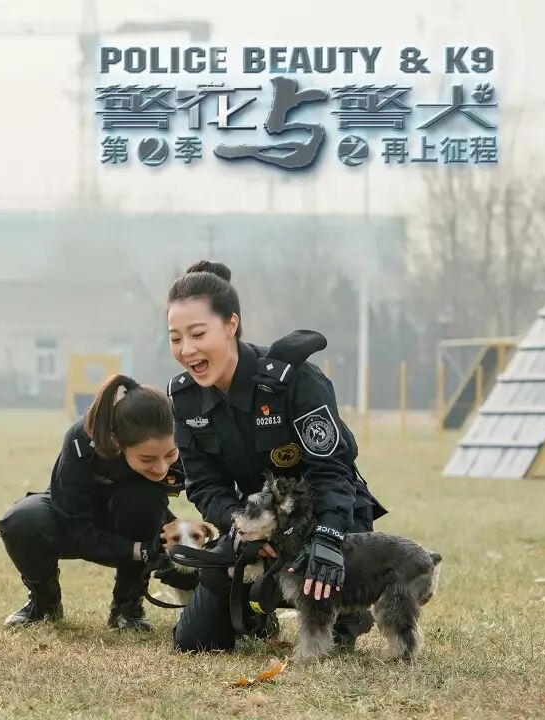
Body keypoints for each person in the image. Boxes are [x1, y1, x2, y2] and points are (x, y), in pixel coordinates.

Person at [165, 260, 386, 653]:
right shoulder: (184, 399)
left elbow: (331, 470)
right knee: (195, 641)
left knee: (327, 632)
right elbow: (203, 483)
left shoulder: (297, 381)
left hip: (321, 519)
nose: (187, 350)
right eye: (175, 338)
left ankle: (350, 608)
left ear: (231, 324)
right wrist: (242, 526)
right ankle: (258, 610)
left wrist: (330, 538)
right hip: (255, 523)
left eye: (198, 334)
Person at [0, 375, 186, 632]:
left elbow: (205, 487)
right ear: (117, 443)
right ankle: (44, 604)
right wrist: (138, 550)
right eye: (147, 458)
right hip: (75, 516)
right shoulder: (80, 440)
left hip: (136, 514)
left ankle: (127, 608)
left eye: (170, 455)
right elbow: (74, 525)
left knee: (144, 501)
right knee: (22, 522)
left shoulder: (183, 433)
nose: (162, 468)